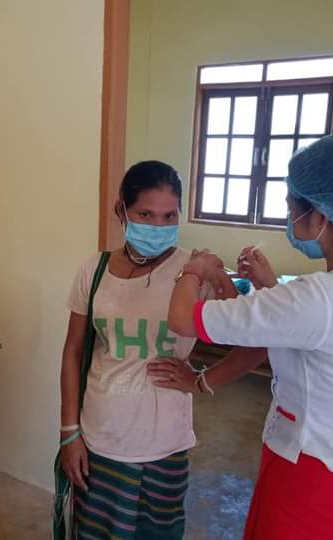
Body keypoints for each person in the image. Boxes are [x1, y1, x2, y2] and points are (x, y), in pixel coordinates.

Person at [151, 133, 333, 539]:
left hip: (309, 486)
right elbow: (314, 332)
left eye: (292, 207)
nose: (288, 217)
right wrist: (270, 288)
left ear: (321, 219)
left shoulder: (318, 298)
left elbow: (183, 318)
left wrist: (194, 268)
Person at [59, 160, 232, 539]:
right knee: (96, 532)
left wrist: (202, 380)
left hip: (164, 442)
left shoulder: (193, 271)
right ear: (122, 209)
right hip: (100, 436)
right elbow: (73, 351)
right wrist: (69, 433)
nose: (158, 226)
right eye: (145, 214)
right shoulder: (95, 269)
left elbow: (246, 334)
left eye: (169, 216)